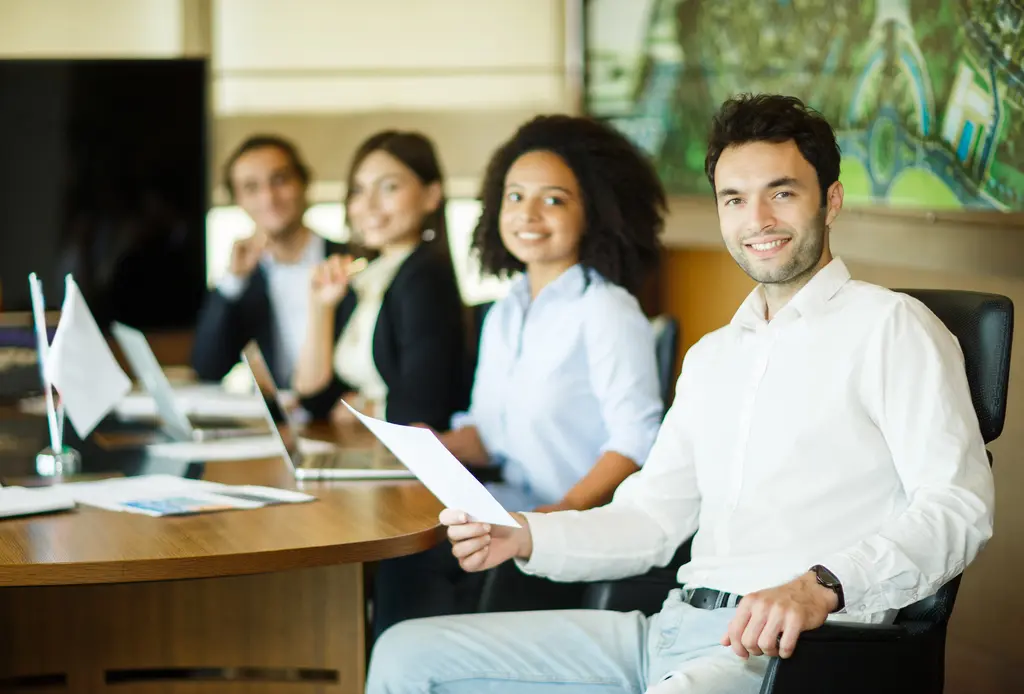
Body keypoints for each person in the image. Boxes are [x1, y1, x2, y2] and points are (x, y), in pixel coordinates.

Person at [365, 94, 995, 694]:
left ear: (829, 201)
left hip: (793, 649)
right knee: (406, 653)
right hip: (670, 628)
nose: (758, 221)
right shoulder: (713, 357)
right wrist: (525, 535)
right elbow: (651, 520)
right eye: (734, 199)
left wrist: (823, 584)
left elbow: (957, 505)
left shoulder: (892, 327)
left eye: (782, 193)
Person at [371, 114, 666, 637]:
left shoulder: (607, 310)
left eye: (553, 199)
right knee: (394, 551)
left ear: (591, 212)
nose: (528, 214)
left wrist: (562, 513)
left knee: (411, 569)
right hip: (508, 511)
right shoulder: (507, 309)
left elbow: (637, 441)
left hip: (561, 534)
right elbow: (490, 433)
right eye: (514, 196)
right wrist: (430, 445)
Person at [292, 131, 467, 428]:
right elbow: (314, 397)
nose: (369, 205)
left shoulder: (424, 277)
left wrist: (358, 406)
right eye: (358, 190)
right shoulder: (368, 274)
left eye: (388, 187)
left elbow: (420, 409)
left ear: (431, 196)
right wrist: (320, 306)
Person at [191, 135, 340, 387]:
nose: (268, 198)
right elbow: (207, 367)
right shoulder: (245, 280)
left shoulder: (347, 259)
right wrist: (233, 282)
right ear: (238, 200)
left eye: (280, 180)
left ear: (303, 183)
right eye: (251, 188)